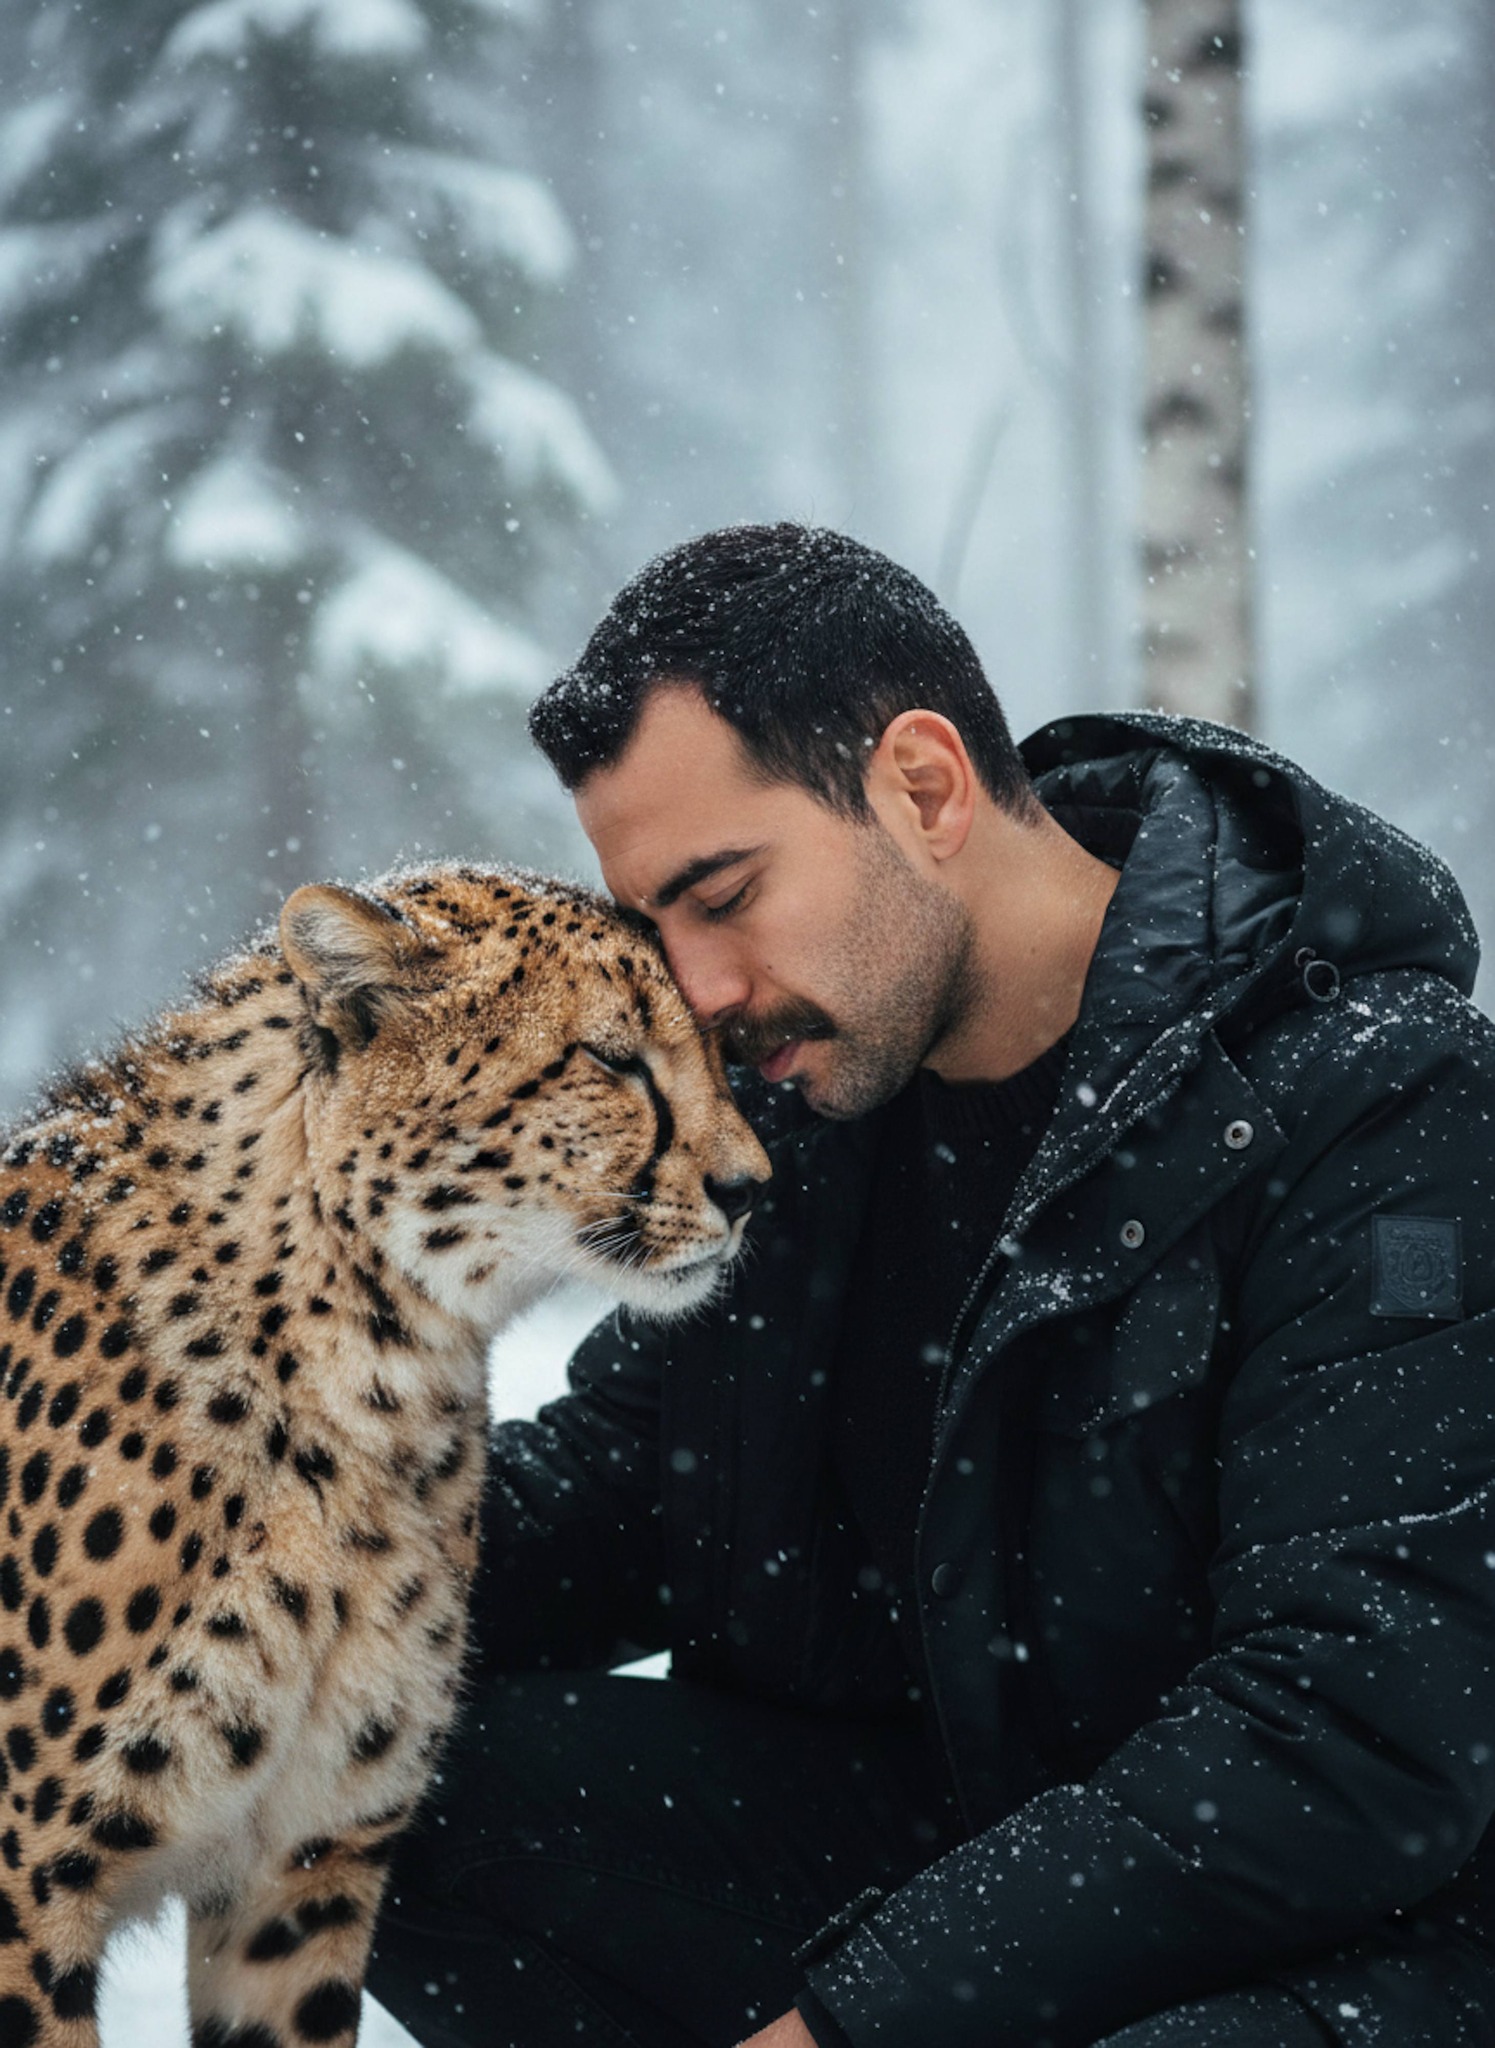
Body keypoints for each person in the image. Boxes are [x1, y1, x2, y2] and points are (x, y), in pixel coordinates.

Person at [367, 524, 1495, 2046]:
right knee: (372, 1787)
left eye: (722, 893)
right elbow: (624, 1484)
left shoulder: (1376, 1103)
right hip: (939, 1849)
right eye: (654, 929)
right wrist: (235, 1593)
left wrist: (861, 2021)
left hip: (1329, 1943)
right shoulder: (784, 1105)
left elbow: (1353, 1734)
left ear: (923, 786)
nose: (691, 990)